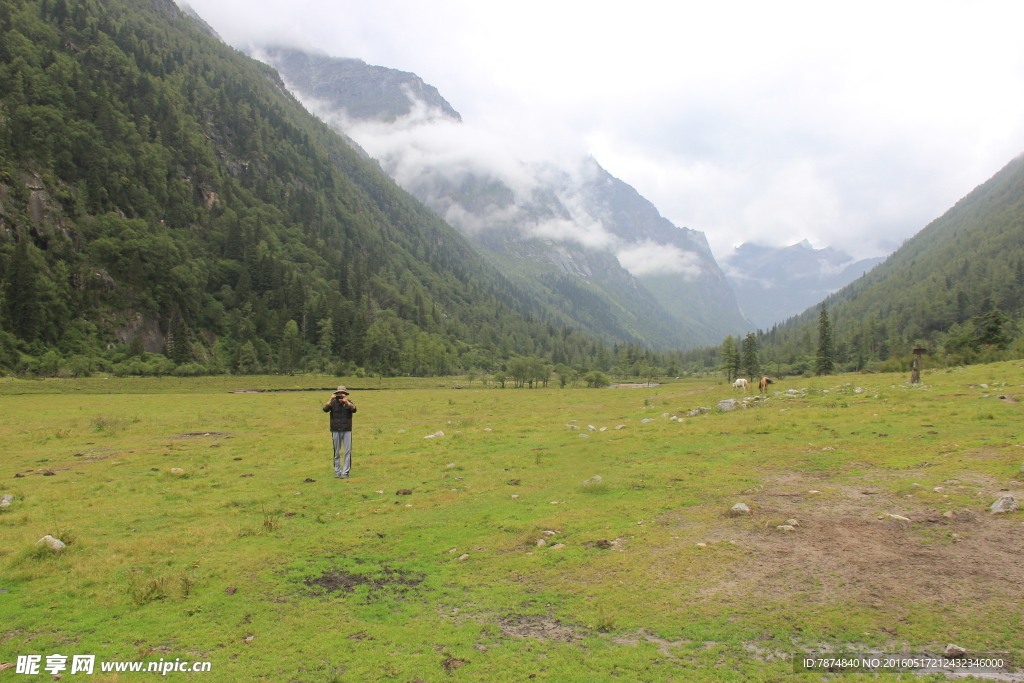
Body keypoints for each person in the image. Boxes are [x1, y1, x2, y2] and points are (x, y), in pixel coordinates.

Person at [322, 386, 357, 479]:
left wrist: (346, 402)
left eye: (343, 393)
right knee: (336, 452)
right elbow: (325, 409)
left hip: (347, 429)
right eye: (339, 393)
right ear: (336, 394)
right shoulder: (332, 403)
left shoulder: (349, 402)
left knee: (347, 451)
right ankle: (337, 472)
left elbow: (354, 409)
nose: (341, 395)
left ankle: (345, 472)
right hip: (335, 429)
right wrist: (330, 399)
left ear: (345, 394)